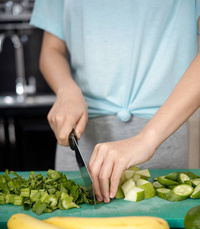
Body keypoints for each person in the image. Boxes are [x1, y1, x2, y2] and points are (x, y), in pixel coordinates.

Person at [30, 0, 200, 204]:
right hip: (80, 135)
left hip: (163, 132)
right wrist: (66, 89)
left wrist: (147, 139)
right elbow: (51, 49)